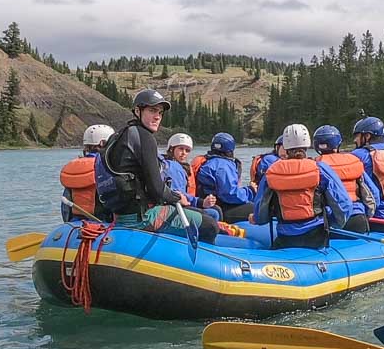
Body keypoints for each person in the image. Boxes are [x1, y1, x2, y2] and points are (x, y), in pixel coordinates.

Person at [96, 89, 218, 243]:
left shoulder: (120, 136)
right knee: (210, 224)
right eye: (152, 110)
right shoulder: (144, 137)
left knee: (198, 213)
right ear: (138, 111)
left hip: (120, 214)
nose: (157, 116)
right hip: (142, 217)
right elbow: (156, 189)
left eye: (160, 113)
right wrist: (177, 197)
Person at [254, 123, 352, 249]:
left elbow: (260, 216)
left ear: (286, 147)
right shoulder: (320, 169)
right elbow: (344, 206)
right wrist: (333, 223)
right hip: (316, 237)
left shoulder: (271, 172)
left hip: (286, 238)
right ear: (307, 145)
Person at [313, 124, 380, 233]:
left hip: (332, 222)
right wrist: (368, 215)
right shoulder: (352, 161)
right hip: (358, 218)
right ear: (338, 143)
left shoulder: (315, 166)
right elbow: (374, 193)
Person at [194, 132, 255, 222]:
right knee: (256, 208)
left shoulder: (208, 162)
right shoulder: (223, 166)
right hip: (222, 208)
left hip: (211, 205)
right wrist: (250, 190)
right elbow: (230, 194)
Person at [60, 123, 114, 222]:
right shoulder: (108, 166)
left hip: (75, 224)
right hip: (102, 223)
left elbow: (65, 207)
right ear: (102, 143)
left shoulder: (74, 168)